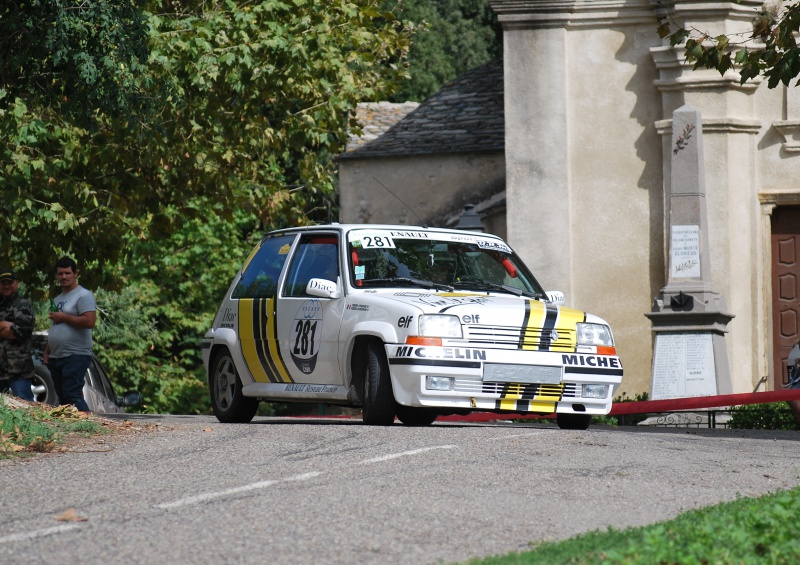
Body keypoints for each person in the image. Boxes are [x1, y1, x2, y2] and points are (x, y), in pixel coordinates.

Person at [44, 256, 96, 413]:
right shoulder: (58, 298)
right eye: (60, 274)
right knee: (63, 399)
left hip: (76, 354)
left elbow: (89, 321)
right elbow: (55, 326)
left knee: (72, 394)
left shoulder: (83, 295)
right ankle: (72, 431)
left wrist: (64, 317)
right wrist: (47, 351)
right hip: (56, 356)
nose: (64, 277)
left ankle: (89, 425)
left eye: (67, 273)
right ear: (56, 275)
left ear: (76, 274)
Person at [0, 268, 35, 401]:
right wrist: (4, 325)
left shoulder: (23, 305)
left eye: (10, 282)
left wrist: (10, 328)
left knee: (26, 409)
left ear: (17, 283)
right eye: (3, 283)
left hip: (19, 370)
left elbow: (18, 332)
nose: (7, 286)